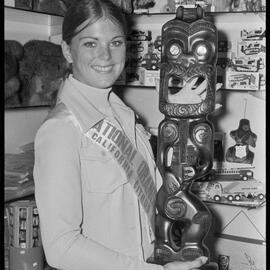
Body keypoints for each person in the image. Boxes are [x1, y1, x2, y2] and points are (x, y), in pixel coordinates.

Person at [33, 0, 208, 269]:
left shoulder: (123, 115)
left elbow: (157, 193)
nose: (106, 56)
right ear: (67, 51)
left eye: (115, 42)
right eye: (90, 43)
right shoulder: (61, 130)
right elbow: (61, 248)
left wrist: (186, 116)